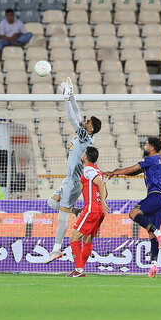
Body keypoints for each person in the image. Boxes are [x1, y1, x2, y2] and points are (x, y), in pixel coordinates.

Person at [45, 78, 102, 263]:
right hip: (68, 180)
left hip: (74, 181)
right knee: (51, 203)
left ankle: (56, 249)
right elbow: (77, 116)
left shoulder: (85, 137)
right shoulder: (85, 134)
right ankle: (76, 211)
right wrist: (71, 97)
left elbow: (72, 118)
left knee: (61, 213)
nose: (84, 122)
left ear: (91, 129)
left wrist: (67, 99)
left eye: (87, 122)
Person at [104, 136, 161, 278]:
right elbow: (134, 172)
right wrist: (116, 172)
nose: (144, 146)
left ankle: (160, 234)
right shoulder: (157, 161)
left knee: (133, 214)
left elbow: (131, 169)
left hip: (155, 195)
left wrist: (114, 172)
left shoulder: (150, 159)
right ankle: (154, 266)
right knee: (151, 233)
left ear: (151, 148)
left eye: (146, 144)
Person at [67, 146, 110, 278]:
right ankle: (80, 269)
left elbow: (101, 185)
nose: (82, 154)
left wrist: (102, 202)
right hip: (98, 211)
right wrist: (101, 201)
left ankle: (79, 270)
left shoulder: (88, 169)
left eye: (84, 152)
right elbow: (104, 189)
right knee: (87, 238)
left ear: (86, 156)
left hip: (91, 209)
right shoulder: (98, 171)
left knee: (74, 237)